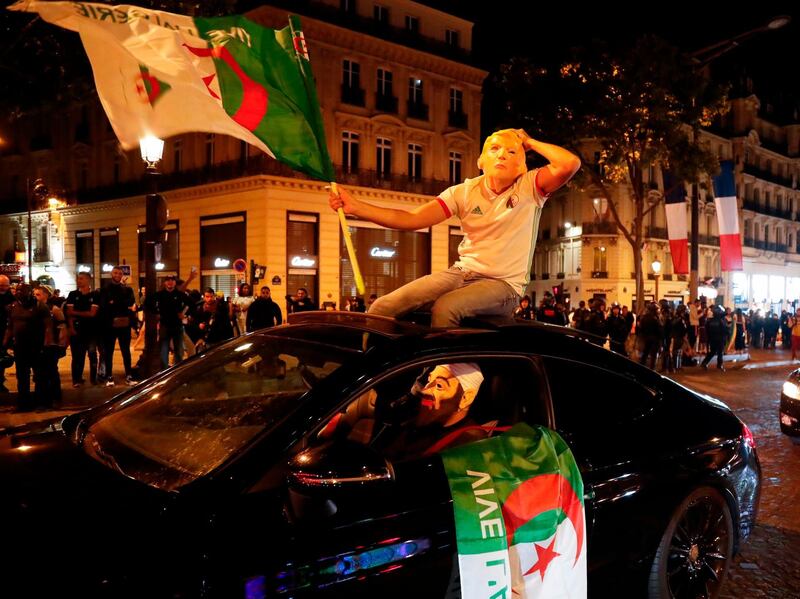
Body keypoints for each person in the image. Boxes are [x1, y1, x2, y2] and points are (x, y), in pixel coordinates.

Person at [329, 128, 580, 327]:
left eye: (512, 152)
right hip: (461, 274)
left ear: (521, 167)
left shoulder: (529, 187)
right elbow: (411, 218)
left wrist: (529, 141)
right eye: (494, 149)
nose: (502, 154)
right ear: (481, 160)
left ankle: (441, 379)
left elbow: (569, 164)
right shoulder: (463, 192)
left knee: (447, 307)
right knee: (382, 308)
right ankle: (375, 384)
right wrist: (356, 207)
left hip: (503, 286)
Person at [3, 283, 52, 411]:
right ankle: (23, 404)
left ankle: (41, 403)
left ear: (29, 291)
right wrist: (4, 343)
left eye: (22, 290)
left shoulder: (40, 306)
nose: (18, 292)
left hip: (36, 346)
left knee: (39, 376)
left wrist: (47, 343)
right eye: (17, 290)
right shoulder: (12, 306)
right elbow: (10, 327)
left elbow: (48, 326)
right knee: (22, 376)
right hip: (20, 347)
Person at [99, 265, 137, 387]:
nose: (117, 275)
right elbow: (104, 306)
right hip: (109, 325)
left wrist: (114, 302)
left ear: (122, 275)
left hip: (124, 324)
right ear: (111, 274)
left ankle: (128, 375)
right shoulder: (105, 289)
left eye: (119, 273)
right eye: (115, 273)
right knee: (109, 351)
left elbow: (131, 303)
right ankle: (109, 376)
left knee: (126, 351)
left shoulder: (127, 289)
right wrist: (121, 304)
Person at [34, 285, 68, 406]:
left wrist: (61, 345)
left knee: (51, 371)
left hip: (51, 345)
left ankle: (55, 396)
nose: (35, 297)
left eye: (38, 294)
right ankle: (42, 398)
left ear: (46, 295)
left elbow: (62, 327)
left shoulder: (54, 309)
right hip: (38, 345)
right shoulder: (34, 308)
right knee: (39, 373)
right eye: (34, 294)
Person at [65, 272, 100, 387]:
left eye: (81, 279)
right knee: (77, 356)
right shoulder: (72, 294)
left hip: (91, 330)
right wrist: (71, 327)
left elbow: (92, 314)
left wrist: (76, 313)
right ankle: (77, 379)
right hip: (77, 329)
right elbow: (69, 313)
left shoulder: (95, 295)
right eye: (78, 279)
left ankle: (93, 378)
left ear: (88, 280)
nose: (78, 281)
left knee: (92, 354)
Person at [155, 274, 191, 369]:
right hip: (164, 326)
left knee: (179, 351)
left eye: (172, 280)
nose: (170, 282)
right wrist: (157, 313)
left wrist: (184, 313)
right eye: (168, 280)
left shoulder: (180, 294)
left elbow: (191, 304)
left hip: (177, 326)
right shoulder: (160, 294)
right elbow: (150, 305)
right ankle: (164, 372)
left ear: (175, 282)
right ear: (165, 282)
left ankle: (177, 370)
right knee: (164, 351)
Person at [702, 306, 730, 371]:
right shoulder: (722, 320)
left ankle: (704, 362)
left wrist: (708, 339)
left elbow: (707, 330)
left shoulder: (710, 320)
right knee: (720, 352)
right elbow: (725, 329)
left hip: (712, 339)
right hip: (720, 338)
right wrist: (728, 331)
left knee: (712, 351)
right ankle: (719, 365)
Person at [0, 275, 15, 393]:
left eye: (6, 285)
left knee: (3, 358)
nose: (4, 288)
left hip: (5, 331)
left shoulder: (11, 297)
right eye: (1, 285)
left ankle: (0, 382)